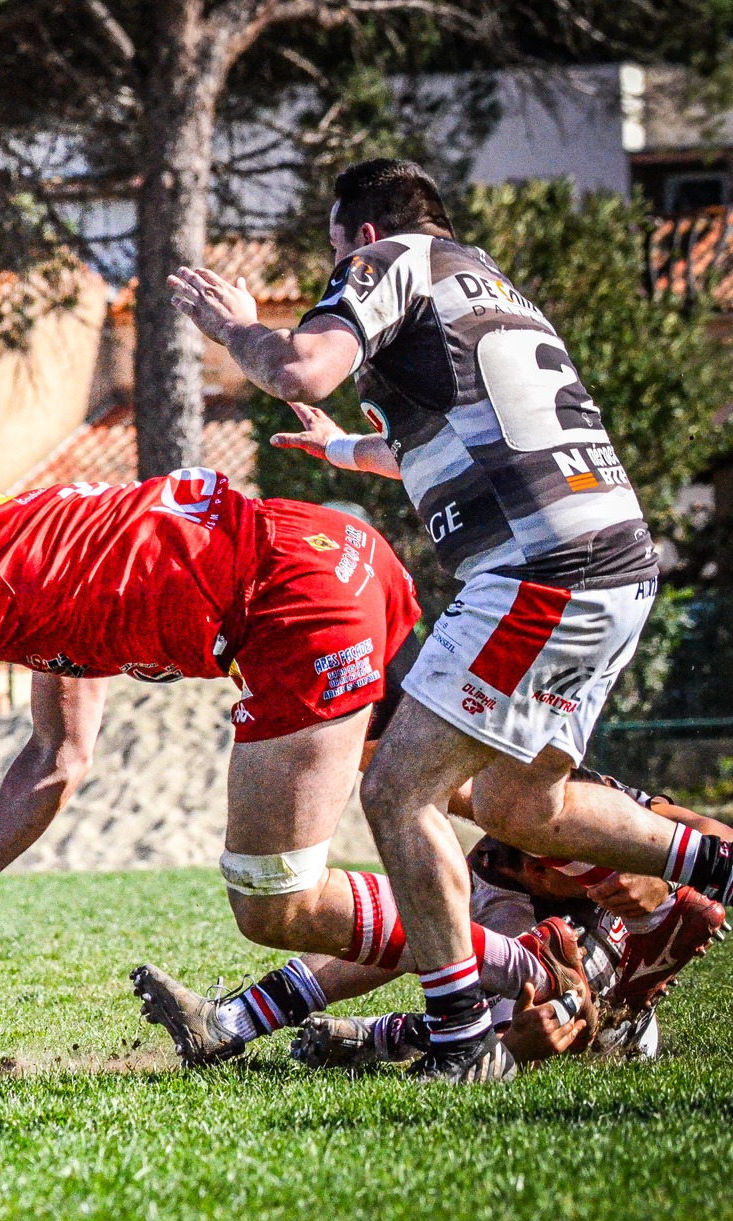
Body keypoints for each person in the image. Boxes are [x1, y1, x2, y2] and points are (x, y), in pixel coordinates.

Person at [166, 157, 733, 1081]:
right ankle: (720, 869)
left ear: (359, 229)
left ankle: (461, 1038)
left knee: (399, 791)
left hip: (540, 570)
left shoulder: (386, 259)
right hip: (611, 561)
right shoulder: (484, 279)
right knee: (522, 806)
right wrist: (348, 450)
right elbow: (476, 438)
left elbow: (304, 363)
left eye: (331, 246)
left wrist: (236, 326)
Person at [0, 444, 587, 1027]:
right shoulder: (31, 538)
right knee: (483, 796)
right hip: (337, 554)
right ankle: (668, 885)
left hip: (291, 605)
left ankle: (517, 970)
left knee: (273, 898)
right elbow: (56, 759)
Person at [140, 768, 726, 1069]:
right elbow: (424, 777)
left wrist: (657, 867)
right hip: (524, 926)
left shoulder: (607, 811)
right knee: (426, 911)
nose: (538, 851)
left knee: (508, 1024)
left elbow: (716, 836)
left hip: (598, 986)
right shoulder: (517, 810)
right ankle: (231, 1023)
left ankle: (383, 1035)